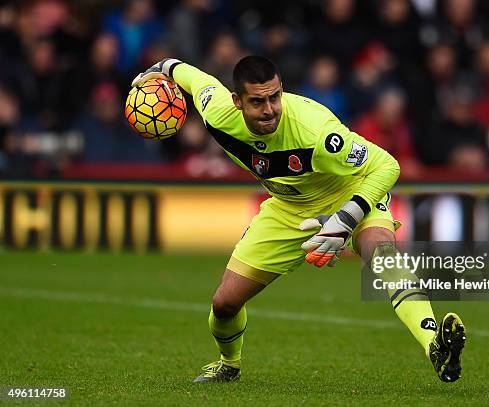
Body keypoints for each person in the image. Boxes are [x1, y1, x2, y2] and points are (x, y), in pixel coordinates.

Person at [131, 56, 466, 383]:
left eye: (275, 97)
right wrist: (157, 69)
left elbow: (387, 166)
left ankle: (433, 344)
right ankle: (228, 364)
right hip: (287, 208)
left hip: (348, 192)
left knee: (381, 253)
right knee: (224, 304)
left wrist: (346, 219)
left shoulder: (316, 133)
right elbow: (185, 72)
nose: (270, 109)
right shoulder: (216, 111)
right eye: (258, 101)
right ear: (236, 101)